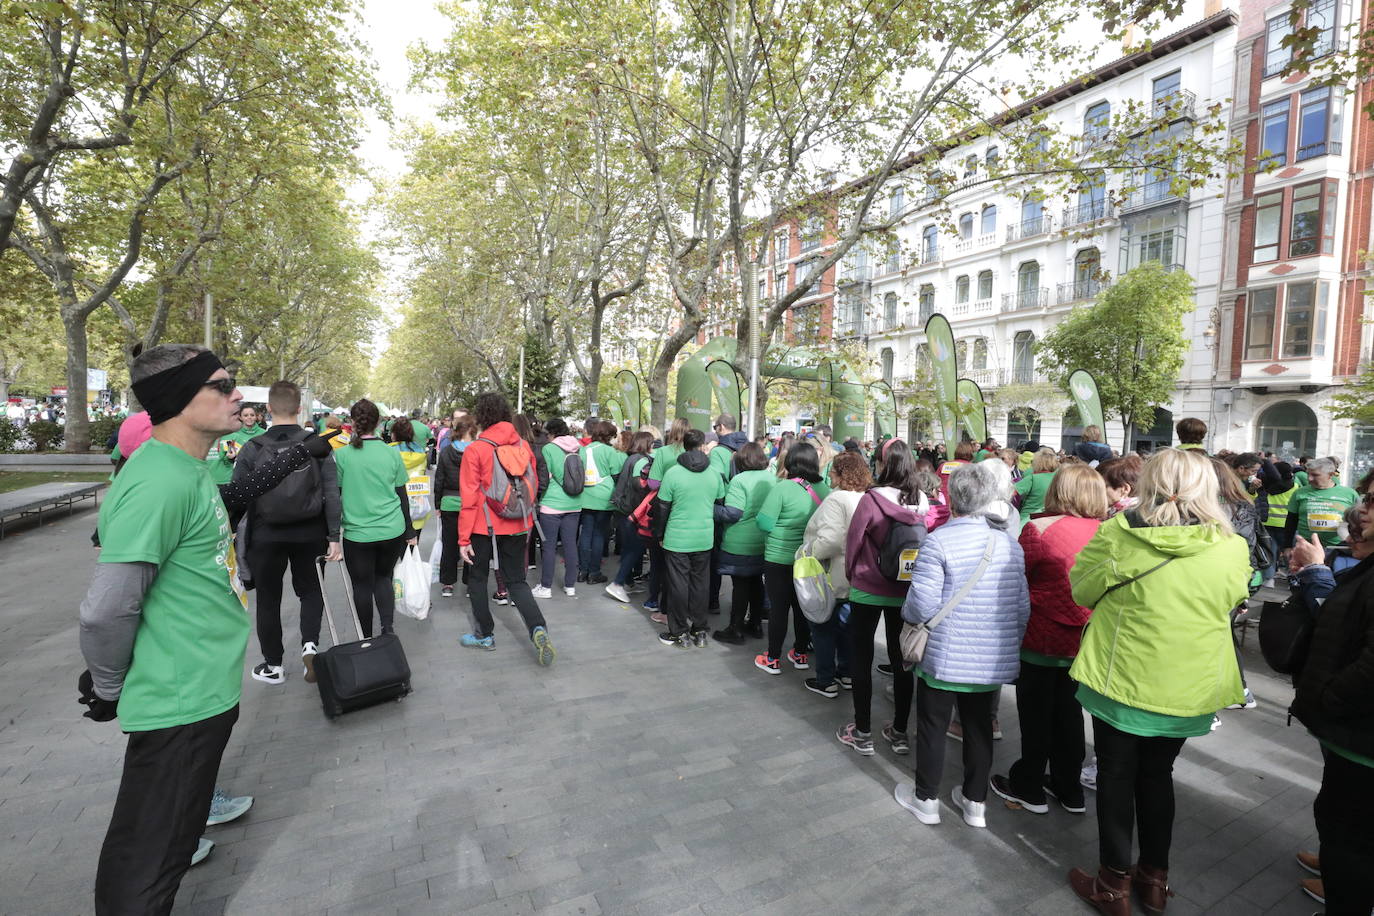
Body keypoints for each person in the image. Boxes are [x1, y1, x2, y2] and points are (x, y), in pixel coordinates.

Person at [77, 344, 330, 913]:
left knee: (166, 848)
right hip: (179, 700)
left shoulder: (183, 470)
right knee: (149, 861)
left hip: (198, 692)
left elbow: (230, 499)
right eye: (222, 385)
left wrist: (293, 459)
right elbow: (105, 610)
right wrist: (108, 684)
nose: (237, 394)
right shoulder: (158, 481)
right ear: (177, 399)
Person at [1066, 448, 1251, 914]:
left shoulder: (1118, 532)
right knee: (1157, 777)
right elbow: (1234, 597)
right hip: (1188, 685)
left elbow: (1082, 590)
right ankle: (1153, 880)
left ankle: (1113, 884)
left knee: (1116, 776)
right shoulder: (1230, 544)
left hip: (1121, 678)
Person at [892, 460, 1028, 829]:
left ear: (952, 498)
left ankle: (926, 800)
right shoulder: (1008, 545)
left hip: (943, 655)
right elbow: (1021, 607)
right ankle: (975, 804)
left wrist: (907, 613)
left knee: (933, 726)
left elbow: (920, 604)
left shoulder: (938, 540)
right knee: (980, 727)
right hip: (989, 658)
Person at [990, 464, 1107, 817]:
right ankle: (1069, 787)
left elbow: (1017, 580)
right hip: (1085, 640)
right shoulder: (1108, 532)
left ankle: (1029, 785)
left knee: (1036, 715)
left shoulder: (1038, 529)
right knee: (1071, 714)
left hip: (1041, 638)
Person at [1285, 513, 1374, 916]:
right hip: (1351, 733)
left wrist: (1327, 698)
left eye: (1372, 500)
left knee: (1349, 833)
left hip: (1360, 735)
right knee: (1342, 824)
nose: (1360, 511)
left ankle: (1345, 886)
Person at [233, 381, 342, 685]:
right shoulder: (318, 445)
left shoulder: (252, 448)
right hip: (310, 531)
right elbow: (332, 493)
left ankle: (273, 665)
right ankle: (310, 645)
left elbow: (238, 496)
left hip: (265, 535)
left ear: (267, 409)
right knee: (310, 591)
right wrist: (334, 536)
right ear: (299, 409)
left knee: (268, 598)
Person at [836, 439, 928, 755]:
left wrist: (852, 575)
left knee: (861, 660)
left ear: (883, 463)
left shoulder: (872, 500)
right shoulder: (921, 501)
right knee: (902, 661)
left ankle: (862, 731)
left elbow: (854, 543)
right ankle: (900, 731)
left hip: (867, 589)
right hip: (904, 590)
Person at [457, 391, 555, 665]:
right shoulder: (523, 446)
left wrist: (463, 539)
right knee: (516, 581)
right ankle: (538, 628)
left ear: (481, 416)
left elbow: (470, 498)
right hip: (518, 523)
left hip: (481, 526)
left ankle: (484, 635)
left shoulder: (476, 449)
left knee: (477, 580)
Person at [333, 399, 416, 638]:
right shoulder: (391, 454)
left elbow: (336, 495)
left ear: (352, 422)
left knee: (361, 586)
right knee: (384, 579)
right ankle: (388, 630)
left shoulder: (343, 456)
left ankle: (366, 638)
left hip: (358, 533)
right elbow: (402, 495)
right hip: (392, 530)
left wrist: (331, 533)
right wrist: (410, 531)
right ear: (379, 422)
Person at [799, 450, 870, 697]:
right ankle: (847, 673)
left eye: (833, 470)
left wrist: (807, 551)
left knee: (823, 627)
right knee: (847, 627)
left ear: (841, 474)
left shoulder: (836, 499)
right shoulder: (865, 498)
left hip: (832, 573)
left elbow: (829, 539)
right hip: (856, 574)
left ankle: (825, 679)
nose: (829, 474)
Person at [753, 440, 824, 674]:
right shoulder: (825, 489)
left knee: (779, 609)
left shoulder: (782, 488)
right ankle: (801, 653)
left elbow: (764, 523)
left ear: (791, 462)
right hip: (810, 560)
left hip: (778, 558)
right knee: (804, 608)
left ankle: (772, 658)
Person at [652, 428, 725, 647]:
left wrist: (659, 534)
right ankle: (700, 630)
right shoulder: (713, 473)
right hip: (703, 536)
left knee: (677, 585)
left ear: (683, 445)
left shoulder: (673, 473)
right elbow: (719, 502)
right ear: (703, 445)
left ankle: (679, 632)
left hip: (677, 537)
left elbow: (662, 508)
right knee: (700, 584)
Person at [711, 441, 774, 643]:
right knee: (756, 582)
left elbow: (733, 513)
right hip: (763, 540)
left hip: (740, 541)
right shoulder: (771, 478)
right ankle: (755, 624)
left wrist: (710, 509)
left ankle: (735, 628)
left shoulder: (739, 480)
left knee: (740, 585)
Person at [643, 418, 690, 610]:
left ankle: (654, 599)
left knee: (658, 560)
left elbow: (652, 483)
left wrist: (670, 485)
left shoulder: (662, 452)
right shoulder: (694, 453)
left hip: (664, 509)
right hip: (687, 510)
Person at [605, 431, 656, 603]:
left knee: (630, 548)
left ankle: (626, 581)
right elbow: (639, 486)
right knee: (635, 548)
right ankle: (618, 583)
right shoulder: (643, 461)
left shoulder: (630, 458)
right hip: (632, 512)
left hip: (622, 508)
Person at [535, 417, 582, 599]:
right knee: (570, 544)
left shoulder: (549, 449)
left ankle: (545, 587)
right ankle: (570, 586)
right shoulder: (579, 447)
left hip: (552, 503)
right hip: (575, 502)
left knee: (549, 546)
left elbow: (545, 476)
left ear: (551, 433)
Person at [433, 415, 477, 598]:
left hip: (449, 502)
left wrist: (437, 504)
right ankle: (470, 582)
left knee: (449, 544)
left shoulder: (446, 451)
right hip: (472, 504)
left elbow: (439, 480)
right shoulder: (476, 451)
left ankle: (448, 583)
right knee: (471, 544)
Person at [578, 419, 626, 584]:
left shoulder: (583, 450)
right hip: (604, 497)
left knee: (585, 533)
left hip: (585, 496)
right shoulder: (610, 452)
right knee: (599, 535)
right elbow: (617, 474)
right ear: (609, 436)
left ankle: (582, 571)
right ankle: (594, 572)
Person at [1285, 457, 1360, 552]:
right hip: (1306, 547)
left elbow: (1358, 521)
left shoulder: (1350, 494)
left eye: (1315, 475)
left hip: (1338, 548)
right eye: (1308, 474)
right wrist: (1287, 546)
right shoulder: (1299, 493)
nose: (1309, 478)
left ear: (1330, 475)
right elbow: (1291, 521)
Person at [389, 417, 431, 536]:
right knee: (411, 552)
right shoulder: (421, 454)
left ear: (393, 434)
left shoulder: (388, 453)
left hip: (393, 511)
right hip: (417, 509)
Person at [206, 405, 264, 486]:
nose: (249, 417)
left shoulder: (264, 433)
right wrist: (231, 457)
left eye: (252, 415)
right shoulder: (234, 433)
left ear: (256, 417)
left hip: (257, 472)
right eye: (246, 415)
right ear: (240, 417)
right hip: (220, 478)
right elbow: (231, 458)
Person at [1014, 447, 1060, 523]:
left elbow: (1010, 492)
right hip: (1050, 520)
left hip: (1028, 519)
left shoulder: (1032, 477)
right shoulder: (1060, 477)